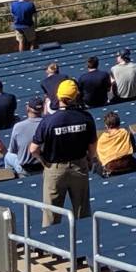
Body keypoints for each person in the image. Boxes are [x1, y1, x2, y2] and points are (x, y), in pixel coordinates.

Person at [35, 81, 97, 221]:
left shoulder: (49, 121)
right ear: (76, 96)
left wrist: (43, 161)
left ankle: (50, 242)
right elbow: (92, 145)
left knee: (51, 214)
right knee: (82, 212)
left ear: (59, 96)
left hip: (55, 168)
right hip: (79, 165)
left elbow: (34, 148)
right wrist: (90, 159)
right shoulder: (86, 117)